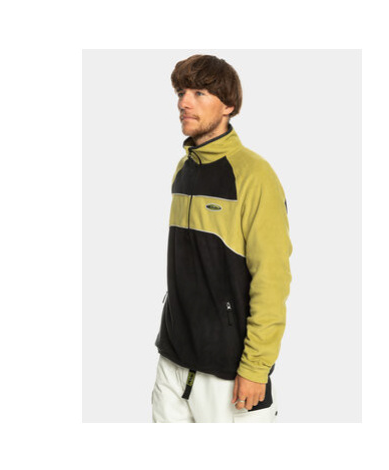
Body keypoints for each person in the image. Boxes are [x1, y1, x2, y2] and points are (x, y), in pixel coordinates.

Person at [151, 54, 293, 423]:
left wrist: (256, 368)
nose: (184, 102)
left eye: (199, 93)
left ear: (228, 105)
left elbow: (272, 279)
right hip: (172, 362)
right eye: (181, 92)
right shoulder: (184, 169)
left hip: (228, 375)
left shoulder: (254, 175)